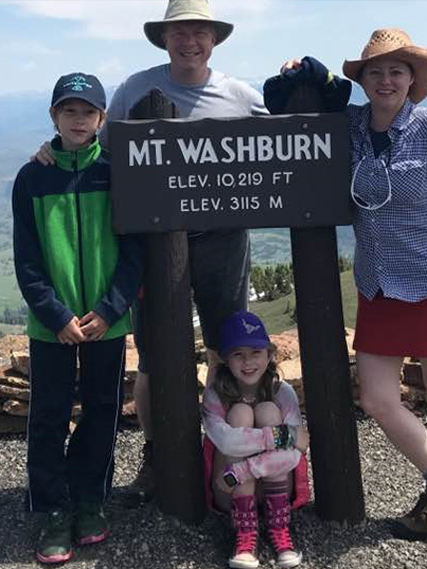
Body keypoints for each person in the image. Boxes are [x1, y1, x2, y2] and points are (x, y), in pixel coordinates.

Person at [265, 29, 427, 554]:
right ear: (361, 80)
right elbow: (279, 110)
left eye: (397, 71)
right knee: (378, 397)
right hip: (379, 283)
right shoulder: (350, 125)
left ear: (413, 80)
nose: (386, 80)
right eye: (375, 72)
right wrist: (302, 71)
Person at [33, 0, 268, 503]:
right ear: (164, 38)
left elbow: (282, 151)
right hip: (156, 247)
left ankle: (232, 454)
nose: (189, 41)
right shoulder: (135, 90)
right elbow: (100, 150)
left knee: (230, 348)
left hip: (224, 241)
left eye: (199, 32)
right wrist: (52, 151)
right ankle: (159, 455)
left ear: (214, 39)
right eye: (179, 32)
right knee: (156, 358)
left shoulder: (242, 95)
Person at [12, 72, 143, 564]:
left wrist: (110, 310)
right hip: (52, 327)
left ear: (102, 119)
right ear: (53, 116)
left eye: (87, 111)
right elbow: (26, 259)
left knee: (101, 413)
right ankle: (50, 507)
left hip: (107, 323)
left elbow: (134, 252)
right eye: (69, 110)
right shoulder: (32, 177)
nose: (79, 119)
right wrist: (55, 314)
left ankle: (90, 499)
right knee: (48, 416)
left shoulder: (115, 172)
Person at [202, 310, 310, 569]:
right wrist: (281, 436)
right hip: (228, 489)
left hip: (255, 481)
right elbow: (227, 443)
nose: (247, 362)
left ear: (270, 355)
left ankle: (279, 529)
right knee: (239, 413)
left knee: (267, 411)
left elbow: (296, 453)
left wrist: (243, 470)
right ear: (225, 359)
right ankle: (245, 535)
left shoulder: (282, 393)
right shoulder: (215, 395)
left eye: (256, 352)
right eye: (238, 354)